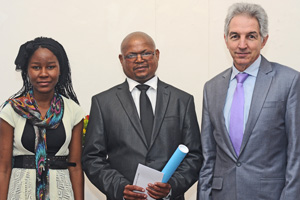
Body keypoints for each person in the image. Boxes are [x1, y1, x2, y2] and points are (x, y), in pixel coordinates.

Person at [82, 31, 202, 200]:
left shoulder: (182, 100)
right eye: (131, 55)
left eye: (146, 53)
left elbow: (194, 155)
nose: (139, 60)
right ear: (121, 59)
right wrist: (120, 188)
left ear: (157, 54)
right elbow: (92, 158)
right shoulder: (103, 103)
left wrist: (171, 187)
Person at [198, 2, 300, 200]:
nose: (242, 45)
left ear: (264, 40)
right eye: (235, 36)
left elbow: (296, 154)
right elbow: (208, 157)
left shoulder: (289, 82)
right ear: (226, 39)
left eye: (251, 36)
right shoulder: (212, 88)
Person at [0, 37, 85, 200]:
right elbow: (3, 167)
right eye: (36, 67)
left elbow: (75, 167)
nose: (44, 73)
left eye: (51, 67)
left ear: (60, 70)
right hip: (21, 193)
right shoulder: (11, 110)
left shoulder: (73, 111)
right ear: (27, 71)